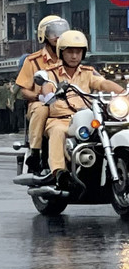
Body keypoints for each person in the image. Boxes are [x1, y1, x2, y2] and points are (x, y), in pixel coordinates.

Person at [37, 30, 124, 186]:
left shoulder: (88, 73)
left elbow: (103, 83)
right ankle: (59, 172)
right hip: (60, 119)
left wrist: (123, 93)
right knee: (57, 131)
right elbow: (47, 86)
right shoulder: (51, 73)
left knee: (110, 128)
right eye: (70, 52)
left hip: (84, 117)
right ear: (61, 52)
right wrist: (50, 94)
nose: (74, 56)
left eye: (78, 52)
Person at [15, 15, 69, 172]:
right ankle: (35, 152)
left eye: (62, 32)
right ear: (43, 35)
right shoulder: (32, 61)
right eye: (53, 33)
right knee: (42, 108)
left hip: (67, 104)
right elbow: (24, 90)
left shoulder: (71, 58)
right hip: (40, 102)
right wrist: (39, 97)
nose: (58, 37)